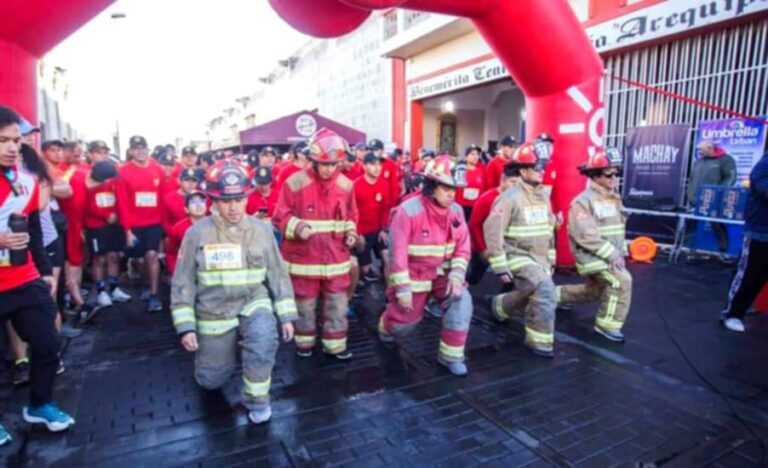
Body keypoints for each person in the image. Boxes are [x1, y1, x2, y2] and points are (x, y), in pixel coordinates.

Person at [171, 159, 297, 424]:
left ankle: (257, 401)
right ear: (213, 200)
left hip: (253, 301)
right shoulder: (196, 234)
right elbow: (183, 283)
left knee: (263, 338)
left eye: (239, 199)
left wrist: (286, 316)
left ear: (246, 197)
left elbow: (278, 274)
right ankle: (225, 355)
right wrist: (186, 327)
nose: (233, 207)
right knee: (210, 380)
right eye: (225, 200)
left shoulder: (262, 230)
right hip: (213, 311)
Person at [0, 106, 75, 443]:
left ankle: (40, 404)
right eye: (3, 141)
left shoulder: (24, 181)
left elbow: (32, 226)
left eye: (16, 140)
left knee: (48, 342)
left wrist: (45, 272)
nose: (13, 148)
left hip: (24, 278)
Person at [378, 156, 472, 376]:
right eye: (447, 188)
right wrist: (403, 291)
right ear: (431, 186)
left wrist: (457, 277)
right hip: (414, 276)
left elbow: (463, 248)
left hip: (443, 274)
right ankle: (386, 325)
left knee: (462, 301)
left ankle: (451, 356)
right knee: (403, 325)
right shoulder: (408, 211)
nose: (452, 194)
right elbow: (397, 255)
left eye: (455, 189)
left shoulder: (456, 211)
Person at [273, 128, 359, 360]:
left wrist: (351, 232)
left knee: (337, 305)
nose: (329, 169)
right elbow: (279, 215)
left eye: (334, 164)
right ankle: (304, 344)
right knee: (305, 305)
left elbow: (352, 215)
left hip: (336, 259)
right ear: (313, 160)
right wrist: (298, 227)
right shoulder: (294, 183)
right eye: (324, 164)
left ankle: (336, 346)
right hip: (304, 260)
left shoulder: (346, 185)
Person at [483, 142, 557, 357]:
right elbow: (493, 230)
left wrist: (550, 259)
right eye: (536, 167)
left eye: (543, 166)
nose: (541, 171)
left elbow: (549, 229)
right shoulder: (510, 197)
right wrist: (499, 265)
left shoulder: (544, 196)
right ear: (523, 171)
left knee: (534, 289)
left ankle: (499, 306)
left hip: (539, 258)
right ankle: (539, 340)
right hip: (516, 254)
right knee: (545, 289)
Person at [555, 148, 632, 342]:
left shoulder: (614, 197)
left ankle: (555, 295)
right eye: (609, 174)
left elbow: (616, 229)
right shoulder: (583, 201)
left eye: (617, 173)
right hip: (591, 256)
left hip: (607, 254)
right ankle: (607, 326)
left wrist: (620, 251)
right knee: (622, 281)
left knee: (596, 291)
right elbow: (586, 235)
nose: (614, 178)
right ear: (595, 176)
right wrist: (612, 254)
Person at [115, 135, 166, 312]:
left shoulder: (157, 169)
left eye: (143, 147)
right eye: (136, 148)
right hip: (134, 224)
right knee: (139, 260)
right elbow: (122, 203)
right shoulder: (123, 172)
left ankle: (154, 294)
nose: (141, 151)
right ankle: (146, 284)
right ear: (130, 151)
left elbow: (163, 197)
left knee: (152, 255)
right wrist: (127, 230)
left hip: (154, 222)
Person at [721, 147, 768, 332]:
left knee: (760, 277)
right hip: (759, 231)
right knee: (749, 276)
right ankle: (732, 314)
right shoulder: (764, 165)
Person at [81, 160, 132, 307]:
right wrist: (105, 215)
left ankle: (115, 288)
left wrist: (119, 219)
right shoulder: (88, 184)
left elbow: (121, 201)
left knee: (114, 256)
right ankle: (101, 291)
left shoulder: (114, 182)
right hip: (96, 226)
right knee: (99, 258)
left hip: (114, 225)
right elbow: (86, 204)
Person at [687, 139, 737, 262]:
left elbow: (731, 177)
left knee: (717, 225)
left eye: (701, 149)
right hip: (694, 200)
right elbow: (692, 179)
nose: (699, 152)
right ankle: (689, 250)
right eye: (698, 149)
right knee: (691, 225)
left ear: (710, 149)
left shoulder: (726, 160)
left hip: (714, 202)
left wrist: (719, 193)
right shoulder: (698, 161)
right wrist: (689, 194)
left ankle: (723, 253)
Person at [466, 170, 517, 285]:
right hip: (483, 247)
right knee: (474, 277)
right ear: (502, 181)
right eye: (512, 182)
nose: (515, 186)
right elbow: (474, 225)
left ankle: (502, 301)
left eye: (518, 183)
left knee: (510, 278)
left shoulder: (515, 200)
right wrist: (482, 248)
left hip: (505, 248)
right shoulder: (487, 198)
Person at [166, 190, 207, 275]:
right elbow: (172, 253)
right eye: (193, 202)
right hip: (187, 273)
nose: (198, 205)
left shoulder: (216, 225)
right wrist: (174, 272)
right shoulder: (178, 228)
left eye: (201, 201)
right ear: (186, 209)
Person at [162, 168, 203, 235]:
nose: (190, 184)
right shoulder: (168, 198)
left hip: (198, 235)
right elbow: (165, 222)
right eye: (187, 180)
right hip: (177, 236)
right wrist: (173, 233)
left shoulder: (203, 198)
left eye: (194, 181)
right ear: (179, 181)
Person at [456, 144, 487, 221]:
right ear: (466, 157)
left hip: (475, 207)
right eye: (472, 154)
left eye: (477, 154)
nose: (475, 157)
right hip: (461, 207)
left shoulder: (480, 171)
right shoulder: (461, 171)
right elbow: (456, 189)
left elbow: (483, 190)